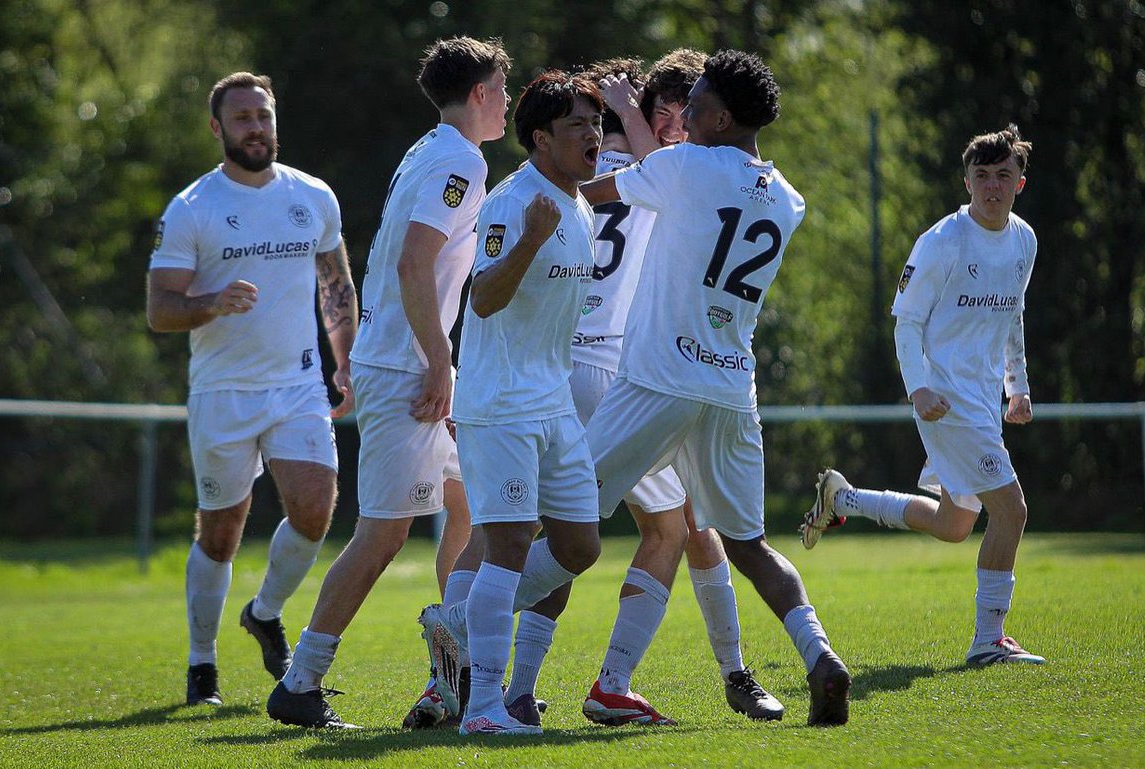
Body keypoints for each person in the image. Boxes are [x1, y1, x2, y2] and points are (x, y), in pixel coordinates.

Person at [501, 50, 783, 727]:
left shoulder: (579, 162)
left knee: (563, 534)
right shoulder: (669, 172)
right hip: (616, 371)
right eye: (668, 110)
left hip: (561, 366)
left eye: (690, 111)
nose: (682, 124)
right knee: (677, 528)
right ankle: (675, 676)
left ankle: (503, 682)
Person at [578, 50, 851, 727]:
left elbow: (593, 194)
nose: (683, 115)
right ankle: (819, 655)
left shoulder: (684, 166)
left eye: (693, 103)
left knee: (568, 518)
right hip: (732, 388)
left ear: (723, 115)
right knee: (748, 544)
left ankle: (466, 645)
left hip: (657, 379)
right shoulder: (787, 197)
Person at [264, 37, 512, 730]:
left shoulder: (429, 148)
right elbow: (411, 263)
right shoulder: (459, 159)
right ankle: (301, 682)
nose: (508, 103)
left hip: (414, 359)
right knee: (382, 533)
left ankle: (456, 676)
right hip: (409, 367)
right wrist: (437, 361)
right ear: (482, 93)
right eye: (503, 88)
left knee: (472, 506)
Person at [146, 72, 357, 707]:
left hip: (296, 385)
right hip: (223, 393)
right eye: (241, 119)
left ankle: (265, 612)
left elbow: (336, 285)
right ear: (218, 129)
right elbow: (160, 310)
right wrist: (210, 302)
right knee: (220, 533)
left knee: (316, 508)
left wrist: (344, 362)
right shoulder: (192, 208)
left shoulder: (312, 196)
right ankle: (201, 664)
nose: (256, 128)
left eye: (263, 115)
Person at [800, 125, 1044, 668]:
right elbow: (906, 323)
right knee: (1013, 511)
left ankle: (843, 500)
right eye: (982, 176)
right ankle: (989, 642)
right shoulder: (942, 242)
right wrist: (920, 389)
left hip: (982, 402)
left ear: (1020, 183)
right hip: (946, 402)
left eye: (1003, 175)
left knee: (954, 526)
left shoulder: (1024, 239)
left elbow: (1013, 317)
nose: (992, 187)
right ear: (967, 182)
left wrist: (1017, 387)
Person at [418, 71, 605, 736]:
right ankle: (486, 710)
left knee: (580, 544)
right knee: (505, 547)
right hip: (499, 404)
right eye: (578, 124)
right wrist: (528, 240)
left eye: (597, 122)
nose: (594, 134)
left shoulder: (579, 205)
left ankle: (459, 622)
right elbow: (486, 297)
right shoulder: (513, 203)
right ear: (539, 138)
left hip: (551, 402)